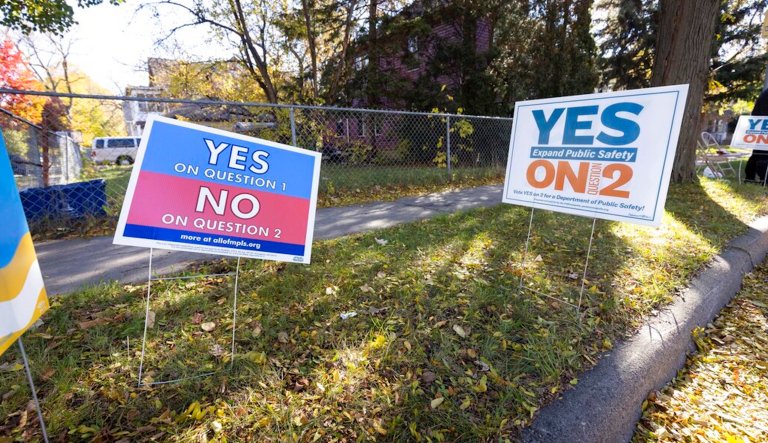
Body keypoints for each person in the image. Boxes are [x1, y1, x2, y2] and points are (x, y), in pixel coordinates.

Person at [744, 87, 768, 182]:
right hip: (763, 126)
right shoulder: (766, 95)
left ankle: (750, 177)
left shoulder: (765, 94)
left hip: (759, 126)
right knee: (763, 155)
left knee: (757, 154)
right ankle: (764, 179)